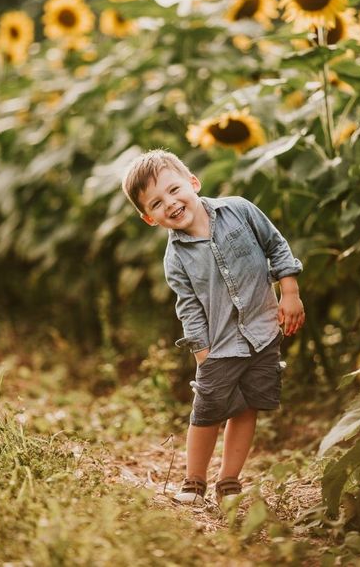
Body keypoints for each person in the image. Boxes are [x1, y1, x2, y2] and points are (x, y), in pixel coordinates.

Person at [122, 149, 305, 507]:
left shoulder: (240, 209)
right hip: (218, 345)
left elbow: (276, 246)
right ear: (150, 219)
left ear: (193, 182)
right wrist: (203, 354)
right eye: (157, 203)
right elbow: (188, 307)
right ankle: (194, 480)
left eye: (175, 190)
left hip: (264, 330)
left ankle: (230, 481)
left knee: (248, 406)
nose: (171, 204)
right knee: (206, 411)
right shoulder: (176, 258)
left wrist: (290, 292)